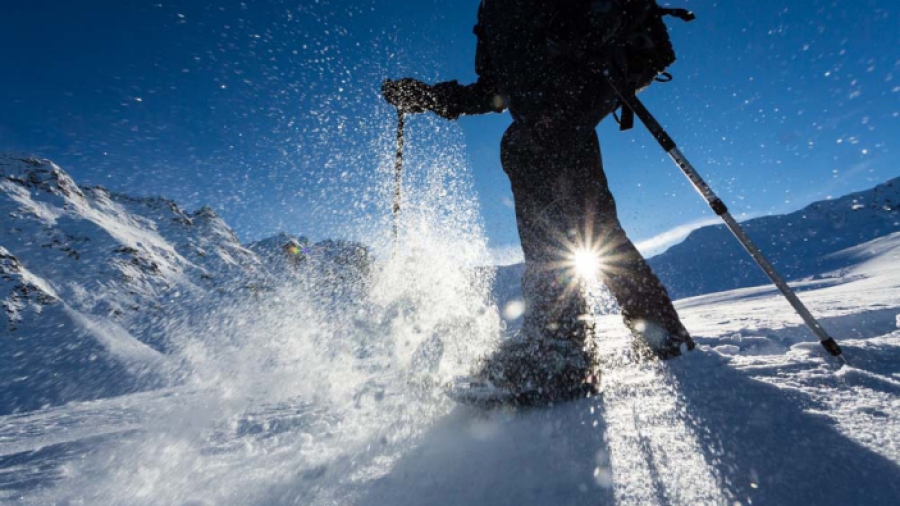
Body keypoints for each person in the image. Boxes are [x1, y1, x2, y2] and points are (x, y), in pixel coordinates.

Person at [382, 0, 695, 404]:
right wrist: (428, 97)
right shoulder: (492, 11)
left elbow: (596, 39)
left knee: (543, 180)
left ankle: (561, 353)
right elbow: (496, 92)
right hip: (549, 122)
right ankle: (660, 335)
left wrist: (578, 69)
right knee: (594, 229)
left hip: (567, 113)